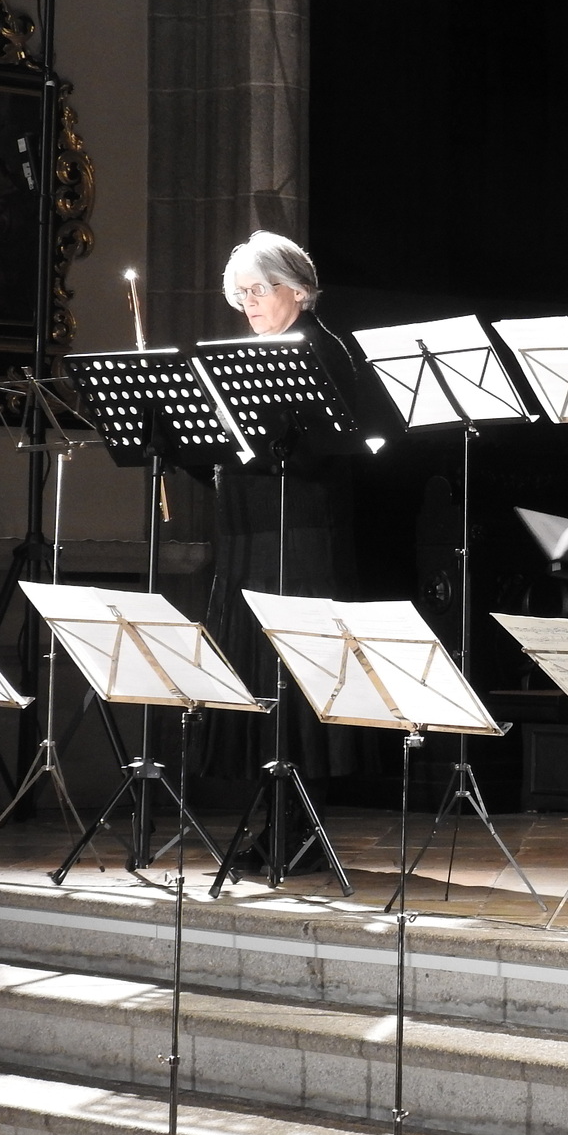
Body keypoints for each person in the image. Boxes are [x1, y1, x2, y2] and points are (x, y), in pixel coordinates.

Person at [202, 230, 368, 785]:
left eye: (258, 290)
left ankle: (297, 800)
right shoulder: (253, 354)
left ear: (297, 290)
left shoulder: (319, 349)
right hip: (251, 534)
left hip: (298, 536)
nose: (248, 304)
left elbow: (322, 452)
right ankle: (268, 799)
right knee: (251, 656)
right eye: (240, 294)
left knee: (296, 661)